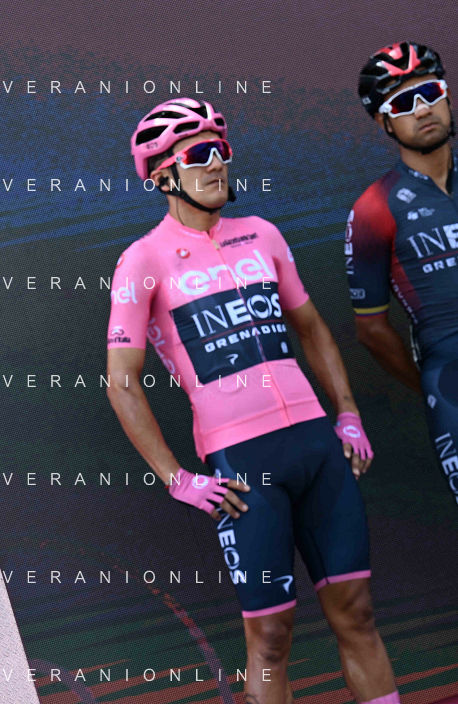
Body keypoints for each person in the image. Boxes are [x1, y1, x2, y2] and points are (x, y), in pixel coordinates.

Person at [105, 98, 398, 704]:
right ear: (162, 176)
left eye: (221, 150)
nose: (217, 163)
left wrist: (347, 413)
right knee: (270, 637)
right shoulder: (142, 260)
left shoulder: (263, 234)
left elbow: (311, 327)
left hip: (316, 446)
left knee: (358, 613)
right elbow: (121, 381)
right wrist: (176, 478)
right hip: (243, 464)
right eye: (198, 154)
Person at [348, 41, 458, 508]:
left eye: (430, 93)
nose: (423, 109)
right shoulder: (374, 209)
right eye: (403, 103)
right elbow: (372, 330)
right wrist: (430, 383)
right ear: (384, 122)